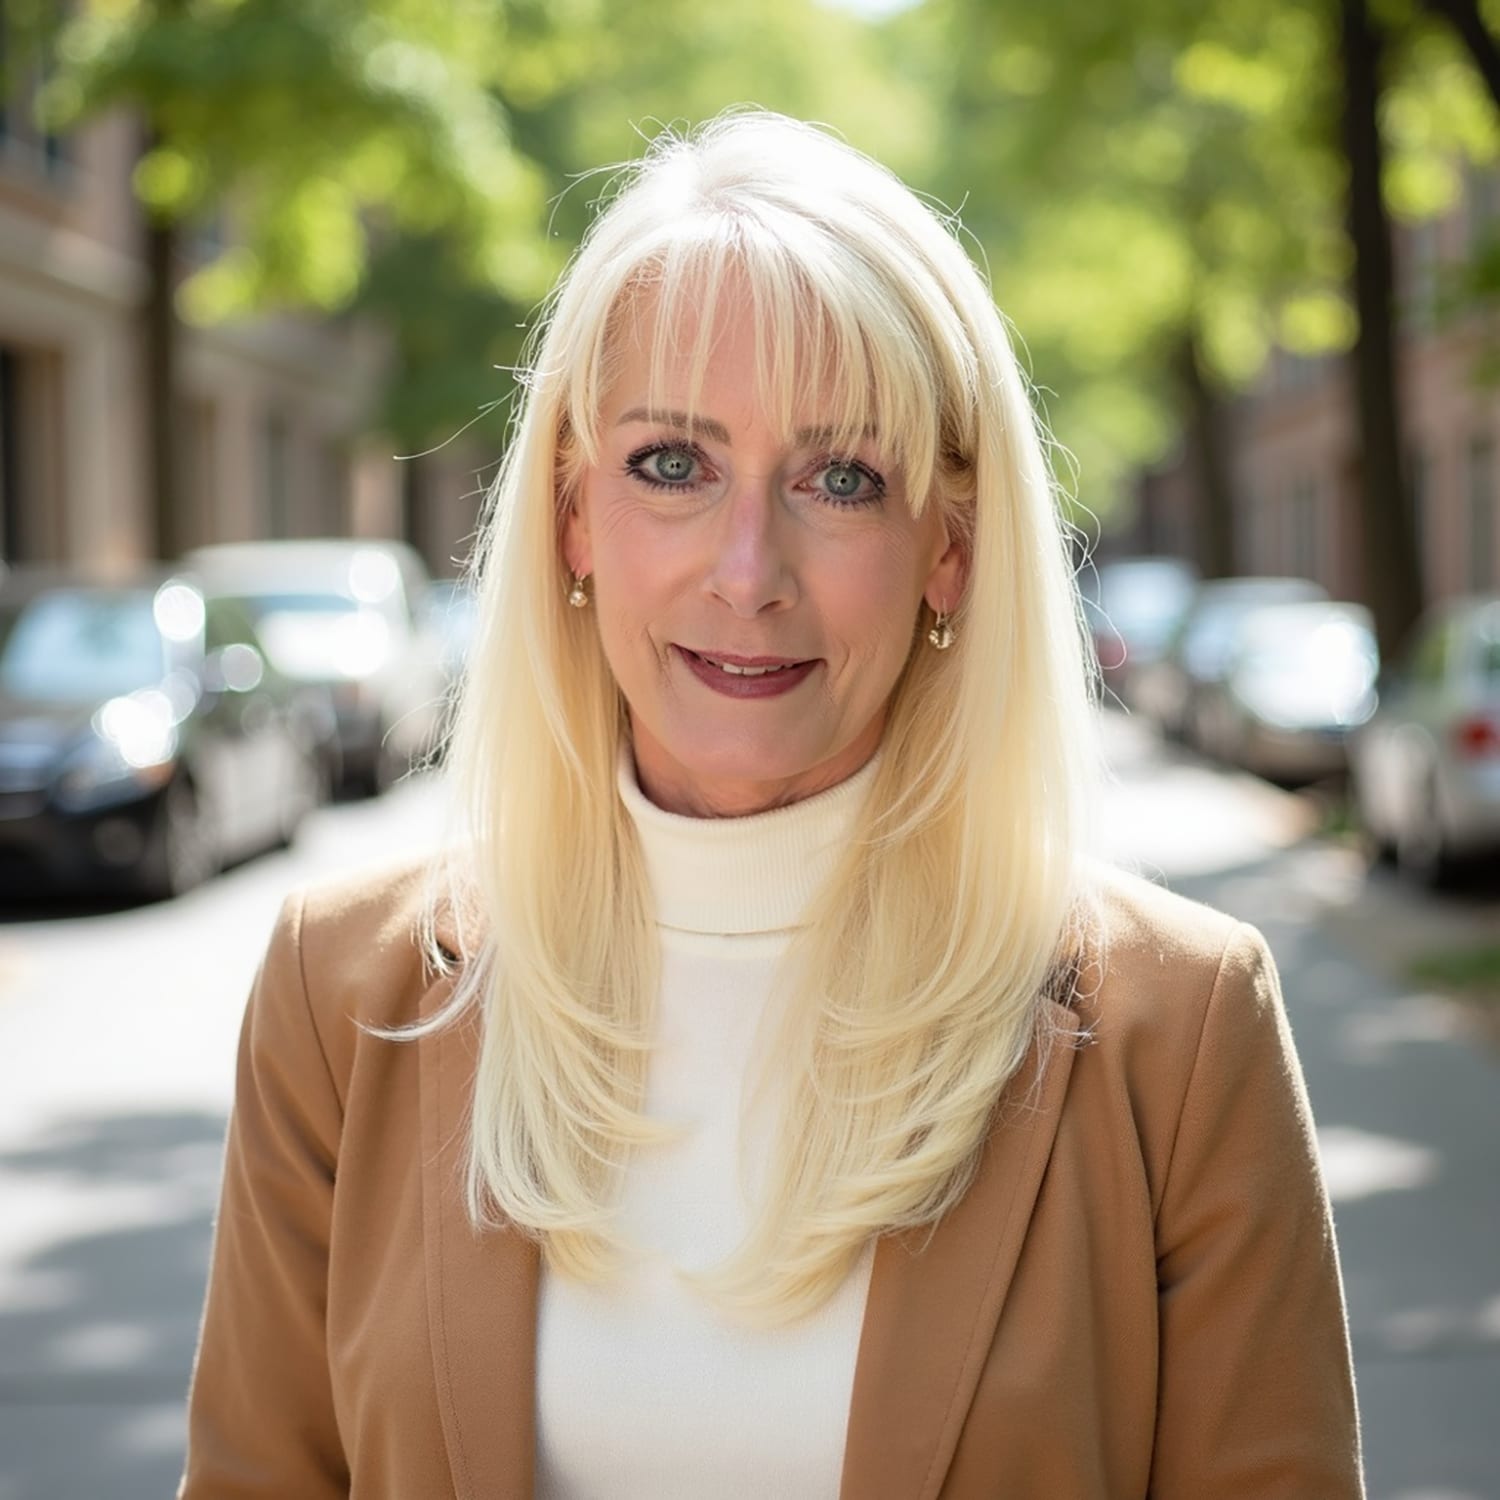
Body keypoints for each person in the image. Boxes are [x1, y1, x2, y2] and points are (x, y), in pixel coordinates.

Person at [178, 111, 1364, 1499]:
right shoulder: (345, 995)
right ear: (570, 513)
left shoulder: (1180, 1033)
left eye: (841, 478)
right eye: (671, 466)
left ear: (950, 549)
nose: (748, 572)